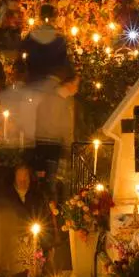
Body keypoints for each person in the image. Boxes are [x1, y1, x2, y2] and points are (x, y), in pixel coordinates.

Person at [34, 66, 79, 196]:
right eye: (75, 84)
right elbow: (64, 126)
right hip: (52, 145)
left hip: (49, 144)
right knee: (53, 183)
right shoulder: (60, 100)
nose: (77, 88)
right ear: (68, 83)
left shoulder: (62, 99)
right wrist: (69, 144)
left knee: (50, 183)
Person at [20, 4, 69, 83]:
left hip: (33, 79)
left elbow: (23, 54)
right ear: (53, 18)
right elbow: (62, 62)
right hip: (52, 81)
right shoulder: (60, 38)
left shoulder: (31, 36)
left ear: (40, 17)